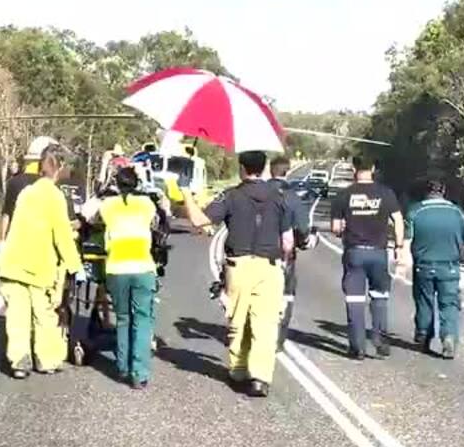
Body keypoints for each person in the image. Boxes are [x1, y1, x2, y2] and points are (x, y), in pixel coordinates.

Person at [177, 150, 293, 397]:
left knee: (238, 320)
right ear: (263, 169)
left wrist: (185, 192)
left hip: (239, 265)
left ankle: (238, 370)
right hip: (270, 267)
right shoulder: (279, 197)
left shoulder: (231, 196)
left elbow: (199, 221)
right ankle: (261, 377)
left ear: (242, 168)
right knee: (266, 324)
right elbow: (287, 242)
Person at [0, 143, 84, 379]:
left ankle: (19, 361)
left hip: (13, 262)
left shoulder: (27, 192)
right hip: (39, 266)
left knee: (17, 316)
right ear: (61, 167)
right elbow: (62, 237)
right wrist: (75, 267)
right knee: (44, 315)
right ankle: (46, 360)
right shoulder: (55, 196)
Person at [81, 166, 162, 389]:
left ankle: (123, 368)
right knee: (142, 319)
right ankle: (139, 373)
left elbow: (91, 217)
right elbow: (158, 221)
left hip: (116, 269)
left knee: (124, 318)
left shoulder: (108, 206)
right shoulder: (146, 204)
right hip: (143, 268)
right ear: (136, 184)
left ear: (116, 184)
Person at [330, 156, 404, 359]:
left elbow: (336, 228)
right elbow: (398, 220)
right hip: (379, 253)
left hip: (354, 252)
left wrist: (343, 230)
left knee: (354, 299)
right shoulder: (386, 193)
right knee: (379, 297)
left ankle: (357, 347)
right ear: (372, 168)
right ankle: (379, 339)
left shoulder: (344, 195)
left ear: (354, 168)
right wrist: (399, 246)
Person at [404, 178, 464, 359]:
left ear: (426, 192)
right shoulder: (456, 212)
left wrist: (402, 260)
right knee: (449, 303)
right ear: (443, 191)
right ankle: (449, 336)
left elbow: (407, 240)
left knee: (424, 301)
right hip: (450, 266)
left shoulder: (416, 211)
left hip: (423, 266)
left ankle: (423, 333)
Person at [269, 156, 315, 349]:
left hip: (255, 252)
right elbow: (303, 229)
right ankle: (278, 338)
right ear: (287, 172)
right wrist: (306, 240)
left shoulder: (259, 192)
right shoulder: (293, 198)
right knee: (285, 296)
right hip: (283, 255)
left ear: (270, 170)